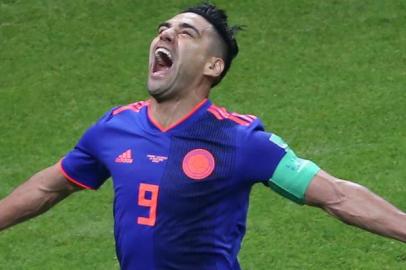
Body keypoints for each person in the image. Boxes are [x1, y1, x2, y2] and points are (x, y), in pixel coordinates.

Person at [0, 3, 405, 270]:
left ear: (213, 65)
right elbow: (49, 187)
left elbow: (336, 195)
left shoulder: (240, 140)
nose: (166, 35)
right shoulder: (114, 127)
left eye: (186, 33)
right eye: (164, 29)